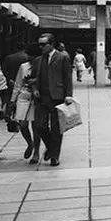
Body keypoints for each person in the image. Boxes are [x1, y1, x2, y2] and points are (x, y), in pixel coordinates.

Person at [33, 33, 73, 167]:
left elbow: (67, 77)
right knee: (39, 126)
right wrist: (35, 89)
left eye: (43, 44)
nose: (41, 47)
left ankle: (54, 156)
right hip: (42, 98)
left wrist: (68, 95)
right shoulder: (38, 60)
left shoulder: (62, 58)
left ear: (51, 44)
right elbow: (32, 79)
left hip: (58, 96)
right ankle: (50, 147)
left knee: (56, 128)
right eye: (39, 44)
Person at [10, 44, 43, 164]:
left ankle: (36, 152)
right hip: (23, 97)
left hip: (36, 98)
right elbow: (18, 84)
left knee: (36, 126)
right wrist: (13, 100)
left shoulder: (42, 66)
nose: (30, 58)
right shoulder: (23, 67)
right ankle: (30, 143)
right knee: (23, 125)